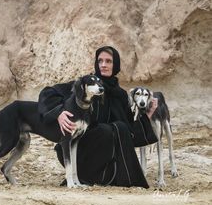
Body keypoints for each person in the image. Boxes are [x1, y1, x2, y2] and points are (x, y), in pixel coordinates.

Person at [38, 46, 158, 188]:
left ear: (116, 65)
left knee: (120, 128)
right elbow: (48, 93)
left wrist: (149, 114)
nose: (103, 65)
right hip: (79, 149)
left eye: (108, 61)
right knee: (108, 130)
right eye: (100, 61)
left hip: (105, 156)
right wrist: (58, 113)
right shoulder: (86, 84)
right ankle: (81, 175)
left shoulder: (120, 95)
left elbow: (130, 133)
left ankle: (114, 176)